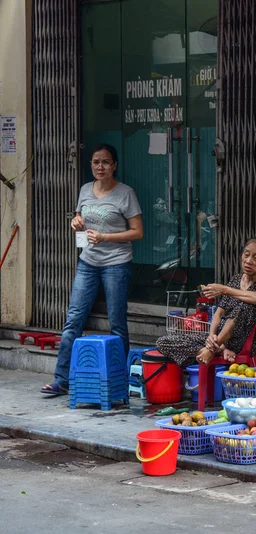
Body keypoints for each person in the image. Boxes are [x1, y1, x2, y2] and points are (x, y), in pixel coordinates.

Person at [41, 144, 143, 395]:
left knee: (117, 323)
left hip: (116, 263)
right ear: (91, 165)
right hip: (88, 262)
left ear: (114, 165)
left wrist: (105, 237)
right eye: (96, 162)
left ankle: (122, 379)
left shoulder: (125, 193)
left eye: (106, 162)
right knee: (73, 320)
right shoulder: (85, 189)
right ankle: (62, 379)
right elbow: (80, 221)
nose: (100, 167)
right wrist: (75, 222)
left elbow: (137, 232)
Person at [156, 238, 256, 367]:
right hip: (219, 339)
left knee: (244, 305)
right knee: (164, 341)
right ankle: (214, 350)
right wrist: (212, 336)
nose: (248, 261)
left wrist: (225, 289)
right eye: (246, 255)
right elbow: (219, 313)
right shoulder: (236, 279)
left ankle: (211, 350)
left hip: (243, 342)